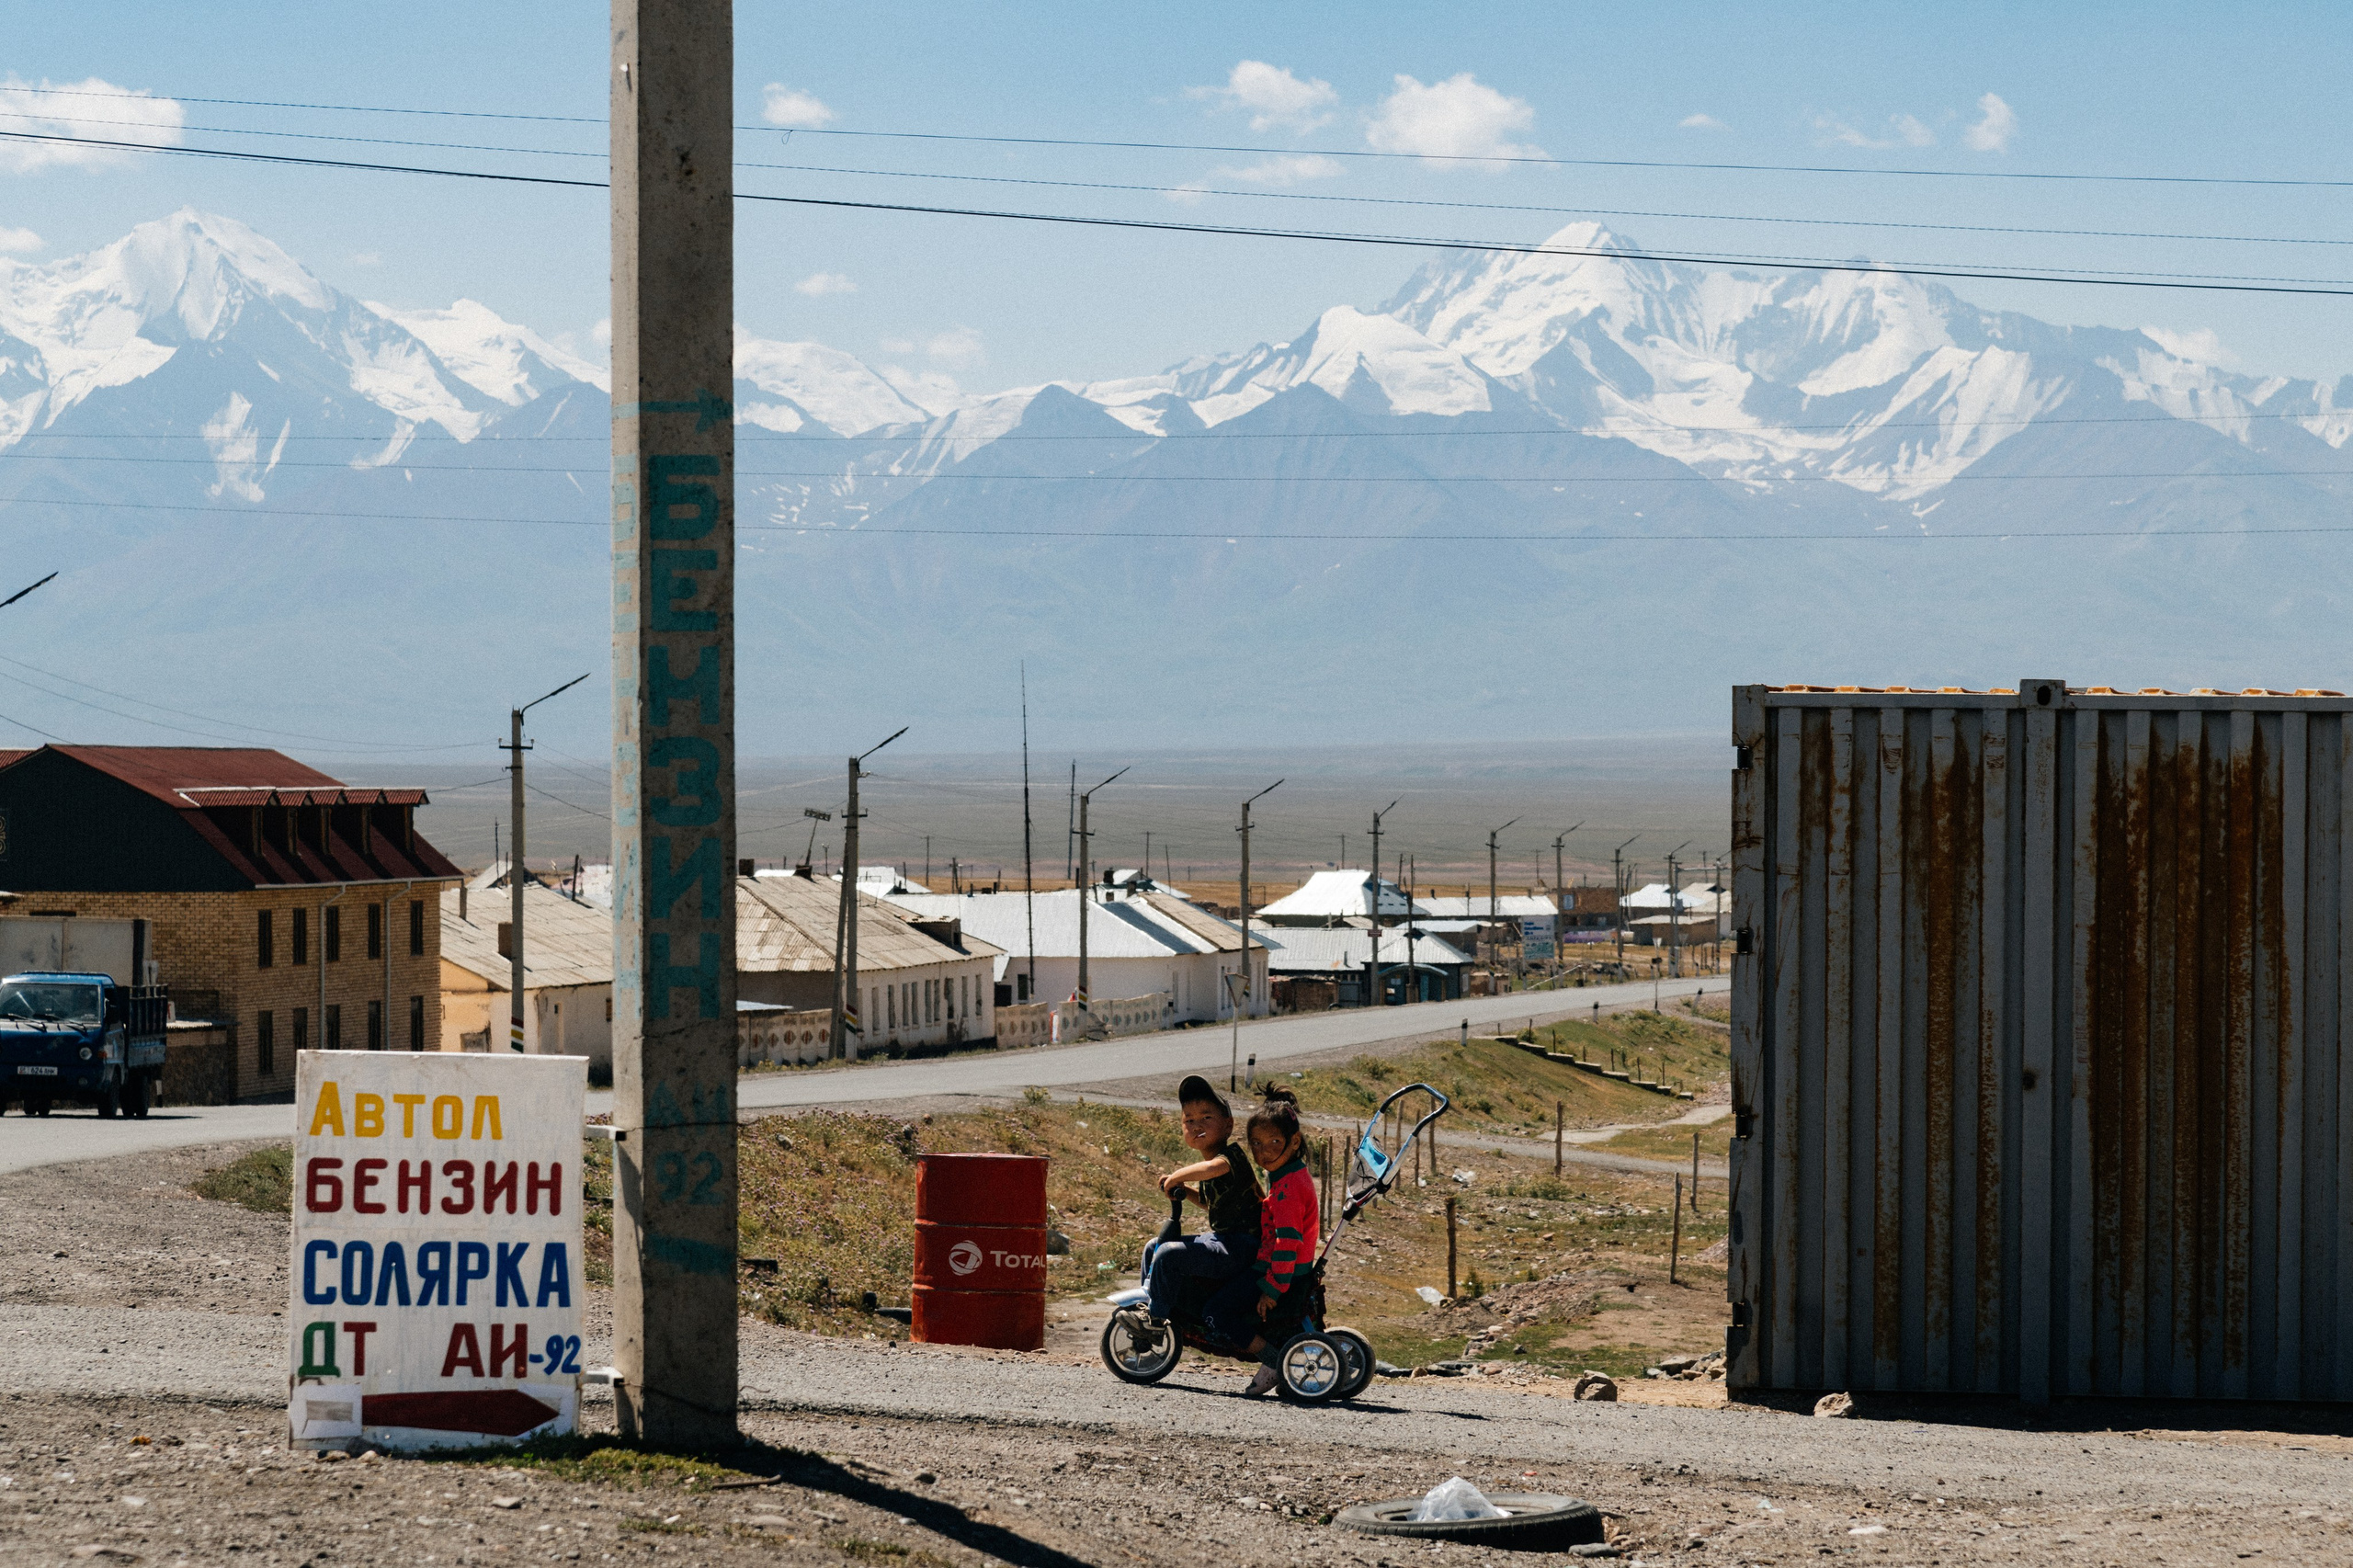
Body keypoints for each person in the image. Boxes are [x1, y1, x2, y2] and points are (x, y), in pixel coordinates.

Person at [1205, 1084, 1320, 1396]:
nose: (1263, 1151)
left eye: (1274, 1142)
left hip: (1280, 1273)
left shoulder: (1287, 1188)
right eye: (1255, 1143)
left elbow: (1287, 1242)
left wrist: (1271, 1289)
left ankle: (1272, 1361)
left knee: (1219, 1312)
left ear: (1294, 1142)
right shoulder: (1288, 1174)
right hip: (1281, 1266)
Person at [1142, 1075, 1261, 1330]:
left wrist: (1177, 1176)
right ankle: (1150, 1304)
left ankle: (1156, 1319)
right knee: (1155, 1247)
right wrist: (1184, 1188)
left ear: (1228, 1125)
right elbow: (1209, 1203)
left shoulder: (1231, 1157)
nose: (1197, 1125)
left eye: (1206, 1118)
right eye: (1189, 1120)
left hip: (1245, 1247)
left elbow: (1211, 1169)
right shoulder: (1209, 1167)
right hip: (1223, 1241)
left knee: (1168, 1254)